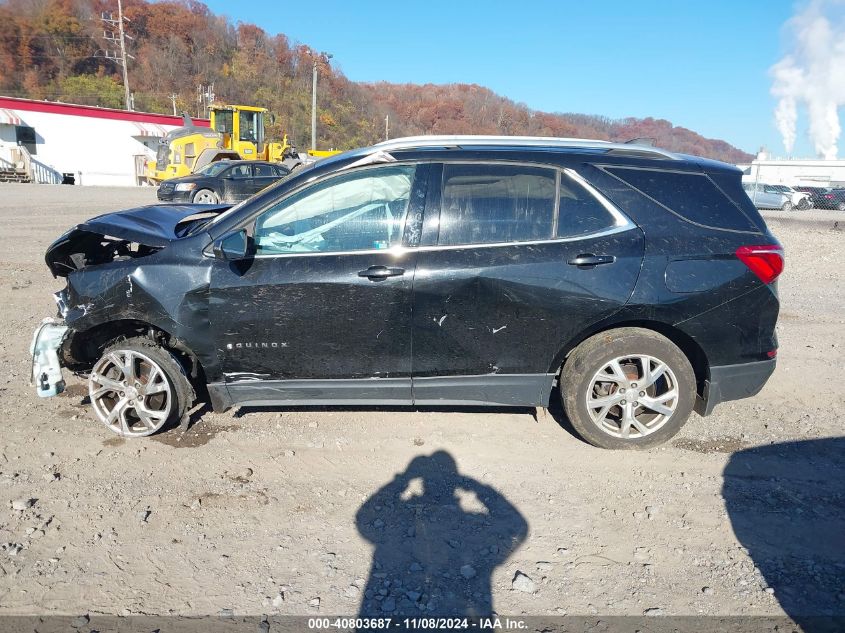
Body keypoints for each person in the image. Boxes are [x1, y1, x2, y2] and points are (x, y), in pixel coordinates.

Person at [355, 451, 528, 618]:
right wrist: (478, 488)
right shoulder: (471, 520)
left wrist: (402, 480)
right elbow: (519, 527)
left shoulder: (463, 519)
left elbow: (363, 519)